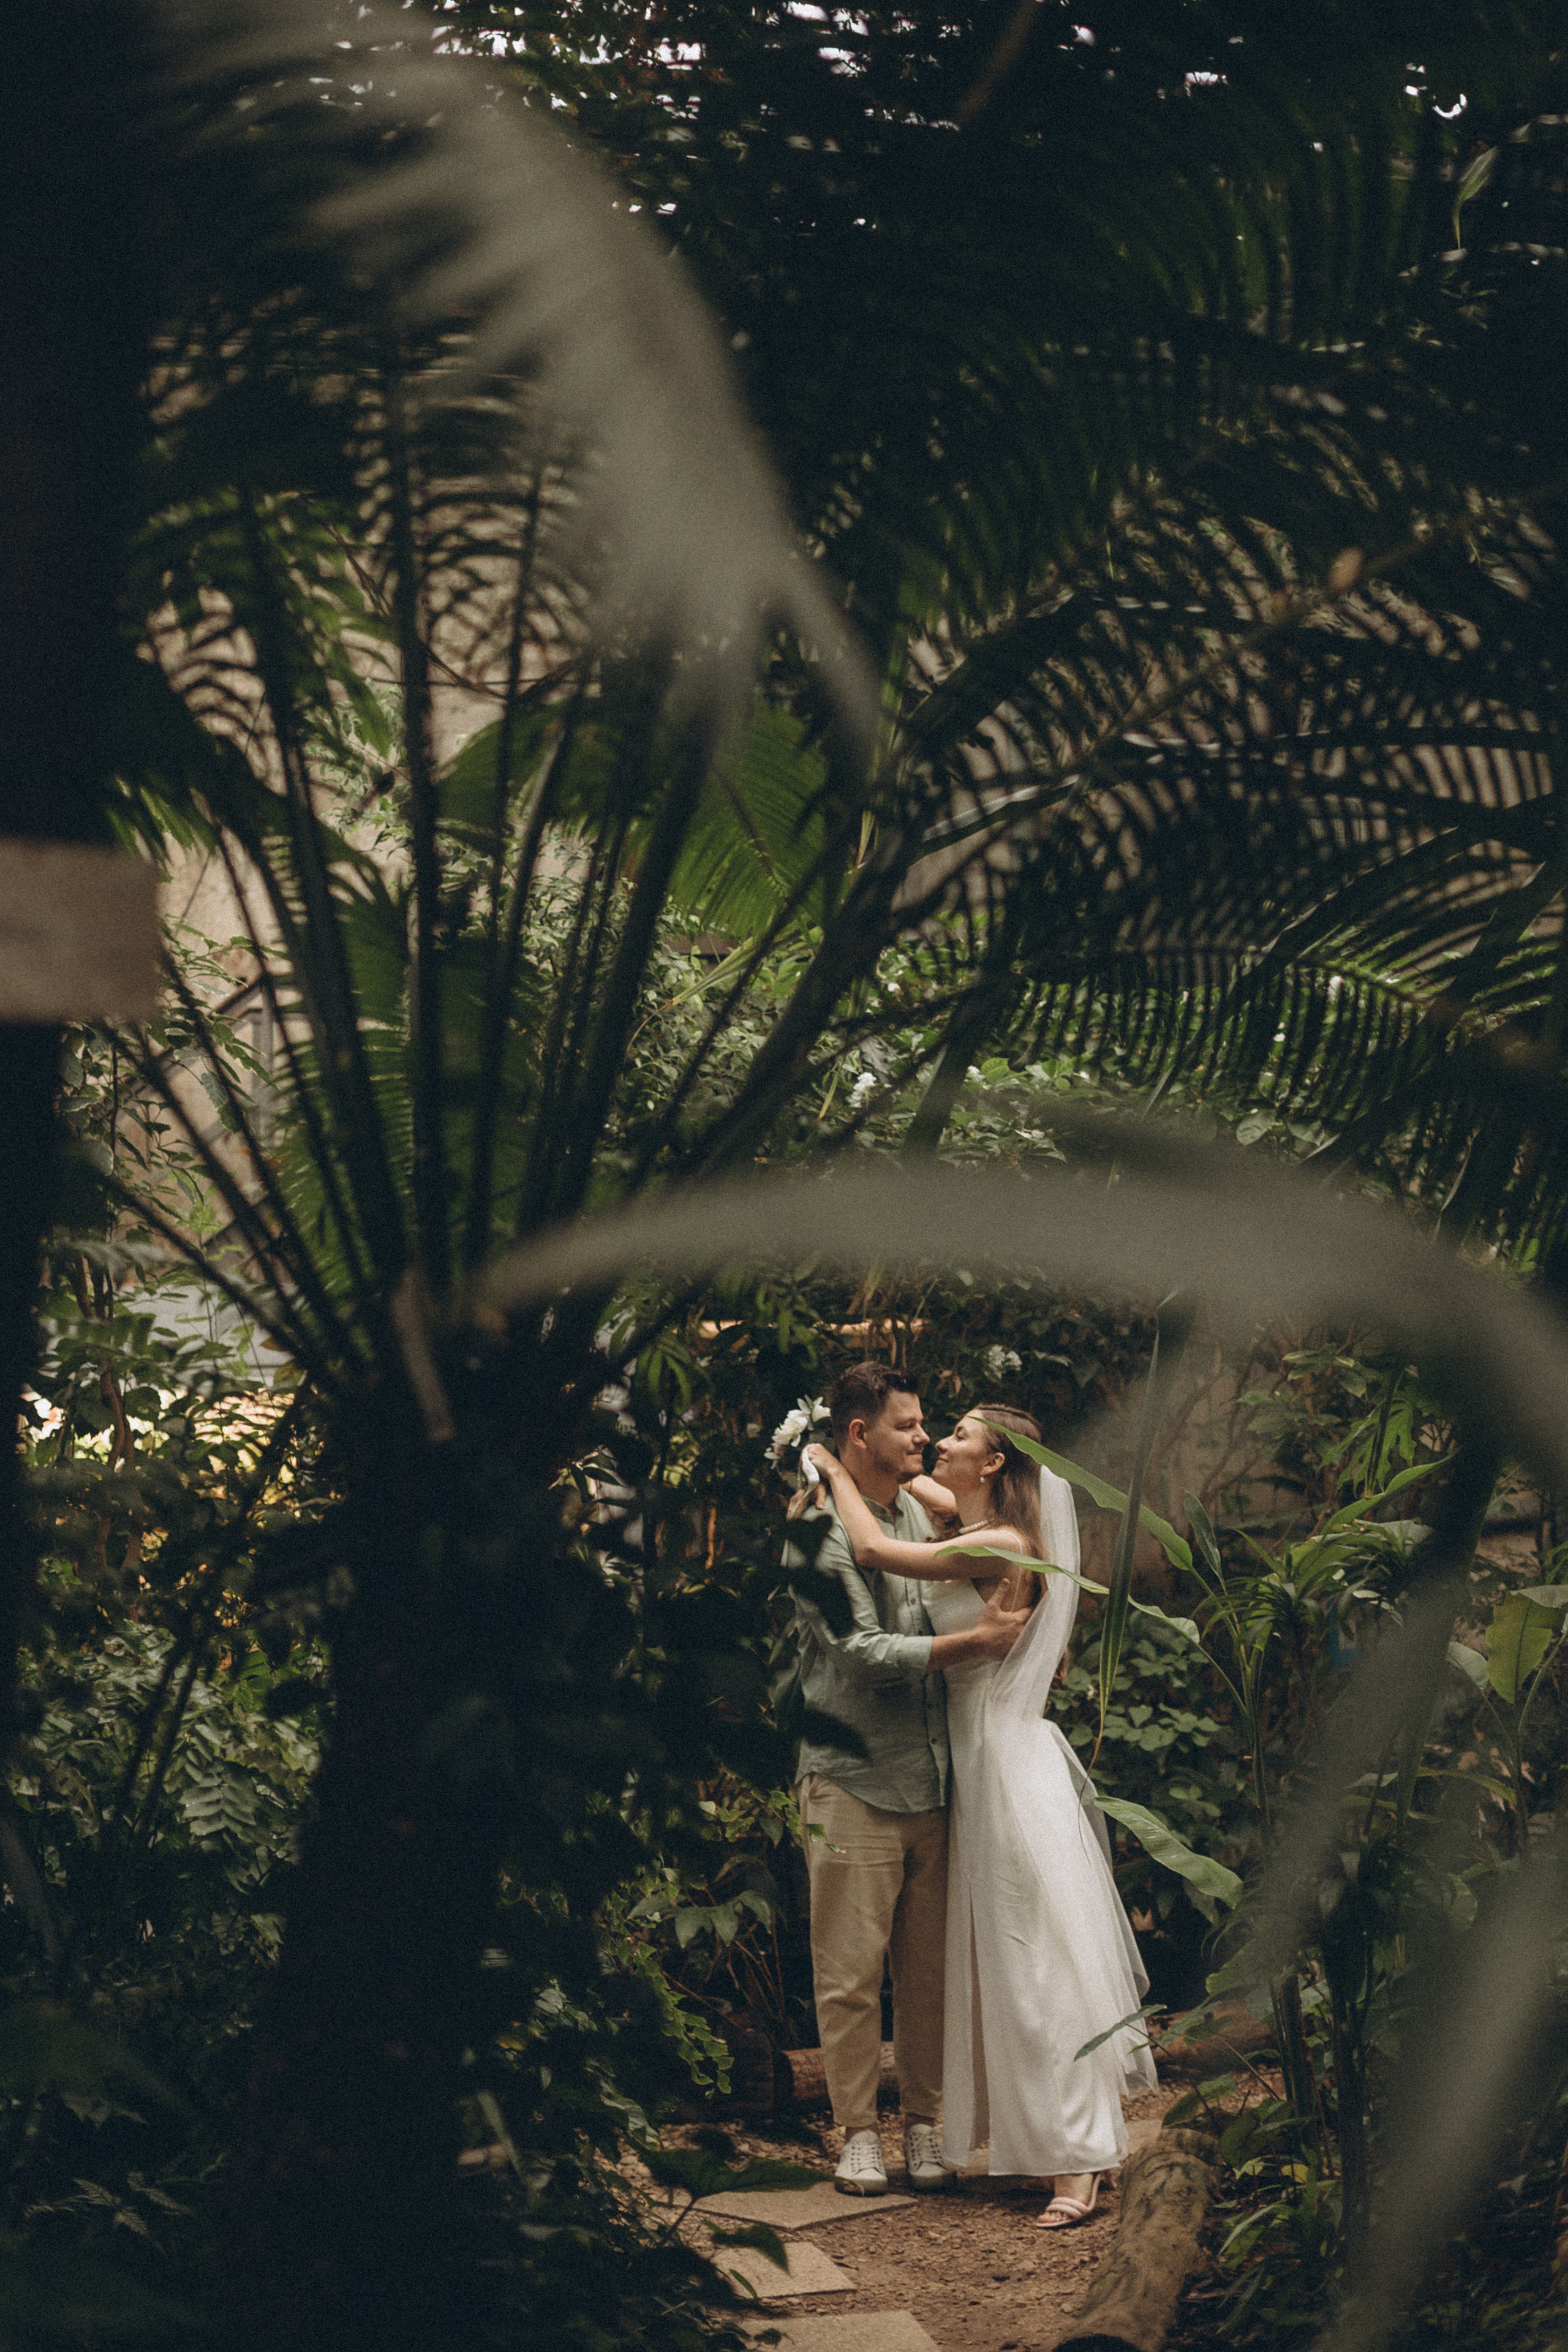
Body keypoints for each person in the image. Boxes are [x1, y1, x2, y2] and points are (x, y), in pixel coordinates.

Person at [804, 1403, 1157, 2228]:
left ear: (995, 1464)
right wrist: (864, 1471)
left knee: (1038, 1965)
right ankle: (1045, 2144)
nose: (938, 1445)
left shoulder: (1001, 1542)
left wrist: (825, 1465)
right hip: (973, 1766)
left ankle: (1082, 2161)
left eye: (957, 1435)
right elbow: (906, 1482)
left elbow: (872, 1547)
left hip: (1004, 1765)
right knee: (1004, 1962)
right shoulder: (974, 1517)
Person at [784, 1362, 1031, 2198]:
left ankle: (924, 2124)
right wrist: (974, 1645)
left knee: (926, 1973)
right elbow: (858, 1652)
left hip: (935, 1779)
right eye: (907, 1426)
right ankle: (856, 2131)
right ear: (860, 1434)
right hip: (854, 1778)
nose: (923, 1438)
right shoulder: (816, 1531)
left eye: (930, 1425)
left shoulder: (917, 1513)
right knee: (850, 1972)